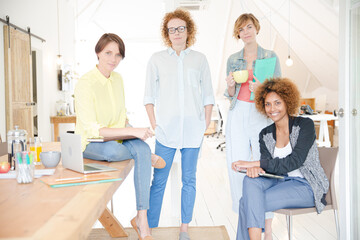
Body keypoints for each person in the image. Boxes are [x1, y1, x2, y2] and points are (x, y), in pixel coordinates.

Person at [75, 33, 166, 240]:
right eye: (108, 52)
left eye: (118, 55)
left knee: (142, 148)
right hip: (91, 142)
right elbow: (92, 129)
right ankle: (146, 157)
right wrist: (132, 132)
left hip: (117, 136)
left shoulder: (118, 79)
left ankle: (141, 219)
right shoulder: (85, 83)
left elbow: (121, 117)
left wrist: (132, 128)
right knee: (124, 150)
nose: (113, 59)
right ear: (98, 52)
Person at [144, 8, 215, 240]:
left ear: (188, 31)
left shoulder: (200, 59)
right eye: (172, 29)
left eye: (180, 28)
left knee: (189, 180)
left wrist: (205, 122)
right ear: (167, 33)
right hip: (166, 131)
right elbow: (148, 96)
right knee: (159, 181)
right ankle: (150, 227)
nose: (176, 33)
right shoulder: (157, 59)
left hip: (193, 131)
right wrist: (155, 124)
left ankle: (184, 228)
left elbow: (207, 95)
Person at [232, 78, 329, 240]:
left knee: (246, 203)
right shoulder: (265, 134)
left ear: (287, 102)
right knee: (249, 181)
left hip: (307, 186)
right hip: (280, 181)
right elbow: (269, 166)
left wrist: (255, 163)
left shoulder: (304, 126)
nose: (272, 108)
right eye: (268, 104)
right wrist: (257, 169)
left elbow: (294, 161)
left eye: (277, 103)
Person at [224, 13, 281, 239]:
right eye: (241, 29)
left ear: (256, 28)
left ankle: (267, 227)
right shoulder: (232, 59)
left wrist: (263, 90)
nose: (245, 32)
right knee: (237, 165)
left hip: (260, 113)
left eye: (248, 27)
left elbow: (279, 93)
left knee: (263, 165)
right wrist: (229, 87)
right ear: (237, 33)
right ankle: (245, 224)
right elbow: (231, 95)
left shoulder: (271, 56)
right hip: (238, 111)